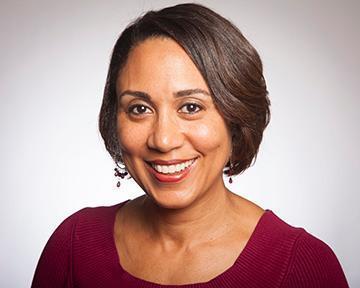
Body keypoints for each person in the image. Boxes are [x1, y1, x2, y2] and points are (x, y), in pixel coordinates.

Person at [32, 3, 349, 287]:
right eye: (139, 108)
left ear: (235, 116)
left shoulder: (303, 266)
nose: (164, 140)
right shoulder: (73, 246)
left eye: (191, 107)